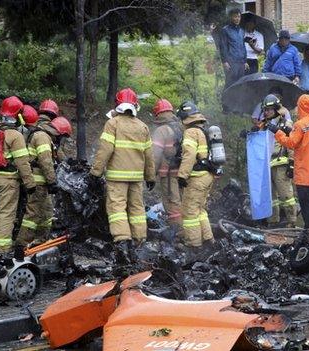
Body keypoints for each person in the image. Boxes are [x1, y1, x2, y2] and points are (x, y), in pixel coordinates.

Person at [90, 88, 155, 262]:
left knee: (117, 209)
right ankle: (139, 241)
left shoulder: (113, 124)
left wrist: (96, 172)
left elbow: (105, 150)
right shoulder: (143, 127)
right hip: (136, 178)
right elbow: (149, 155)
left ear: (118, 104)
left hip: (117, 177)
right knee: (137, 209)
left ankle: (122, 242)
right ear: (135, 105)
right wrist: (150, 177)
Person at [0, 96, 36, 256]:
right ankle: (2, 251)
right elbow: (23, 163)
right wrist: (30, 184)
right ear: (18, 115)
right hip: (7, 181)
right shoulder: (15, 135)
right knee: (5, 215)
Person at [270, 94, 309, 231]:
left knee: (307, 207)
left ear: (301, 106)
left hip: (304, 174)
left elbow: (291, 143)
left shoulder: (300, 124)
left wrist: (277, 132)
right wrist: (289, 131)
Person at [17, 108, 72, 247]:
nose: (62, 139)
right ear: (58, 132)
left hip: (42, 183)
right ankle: (22, 245)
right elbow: (45, 162)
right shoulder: (42, 137)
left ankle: (41, 241)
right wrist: (52, 181)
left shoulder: (46, 136)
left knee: (47, 212)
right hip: (37, 182)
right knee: (33, 214)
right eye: (63, 136)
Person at [176, 101, 215, 248]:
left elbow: (190, 154)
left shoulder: (191, 132)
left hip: (197, 177)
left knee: (189, 211)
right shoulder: (202, 130)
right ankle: (208, 239)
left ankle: (194, 244)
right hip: (207, 175)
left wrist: (182, 175)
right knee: (200, 209)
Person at [256, 94, 296, 227]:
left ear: (276, 109)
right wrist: (249, 135)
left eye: (269, 109)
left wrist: (292, 163)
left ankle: (292, 221)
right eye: (265, 110)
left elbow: (291, 142)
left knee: (286, 196)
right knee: (271, 197)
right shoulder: (263, 124)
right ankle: (273, 221)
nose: (266, 112)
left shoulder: (285, 123)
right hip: (266, 165)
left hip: (281, 164)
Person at [151, 99, 183, 232]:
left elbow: (155, 155)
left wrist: (150, 175)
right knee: (181, 200)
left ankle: (177, 232)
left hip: (168, 173)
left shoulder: (161, 130)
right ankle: (187, 229)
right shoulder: (181, 127)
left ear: (157, 114)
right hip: (183, 172)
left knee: (171, 201)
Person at [219, 9, 248, 90]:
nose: (237, 19)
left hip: (241, 63)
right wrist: (225, 61)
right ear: (231, 17)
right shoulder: (225, 30)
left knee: (240, 84)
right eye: (235, 17)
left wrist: (245, 61)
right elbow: (223, 46)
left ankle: (238, 102)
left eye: (239, 16)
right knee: (230, 84)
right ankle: (225, 102)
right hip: (231, 63)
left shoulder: (242, 31)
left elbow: (243, 46)